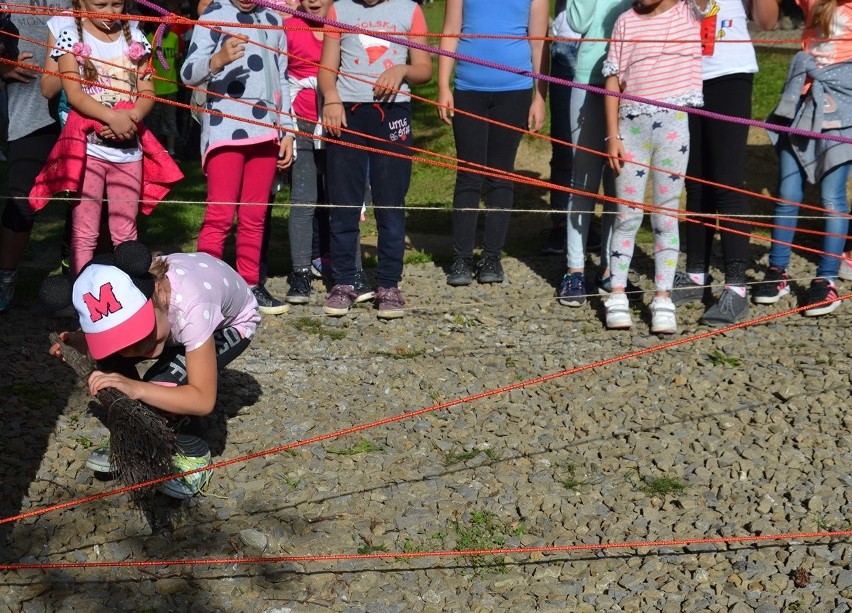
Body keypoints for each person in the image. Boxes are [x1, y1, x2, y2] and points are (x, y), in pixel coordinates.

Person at [49, 241, 260, 499]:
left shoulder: (192, 307)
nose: (138, 347)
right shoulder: (145, 302)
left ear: (157, 290)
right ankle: (132, 432)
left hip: (229, 324)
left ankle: (194, 453)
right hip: (180, 317)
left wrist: (139, 389)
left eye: (141, 331)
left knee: (161, 385)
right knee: (110, 363)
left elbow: (203, 399)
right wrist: (81, 343)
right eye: (124, 337)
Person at [318, 0, 432, 318]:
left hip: (393, 114)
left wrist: (404, 69)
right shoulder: (339, 10)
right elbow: (326, 70)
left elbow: (424, 70)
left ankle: (389, 284)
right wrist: (330, 98)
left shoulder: (409, 10)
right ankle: (343, 282)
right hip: (346, 114)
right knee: (343, 202)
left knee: (390, 201)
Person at [181, 0, 296, 316]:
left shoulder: (273, 19)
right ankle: (205, 289)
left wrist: (287, 129)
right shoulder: (213, 17)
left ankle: (250, 285)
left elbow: (281, 79)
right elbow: (188, 73)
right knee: (220, 214)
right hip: (225, 133)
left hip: (265, 133)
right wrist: (217, 59)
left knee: (254, 216)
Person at [603, 0, 709, 334]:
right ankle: (616, 293)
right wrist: (612, 135)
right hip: (630, 126)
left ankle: (663, 297)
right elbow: (613, 79)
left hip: (673, 126)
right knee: (627, 214)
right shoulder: (625, 21)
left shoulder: (689, 11)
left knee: (665, 215)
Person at [670, 0, 778, 326]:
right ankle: (696, 275)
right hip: (684, 73)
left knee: (726, 181)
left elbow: (768, 22)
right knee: (696, 182)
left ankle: (736, 287)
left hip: (729, 74)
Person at [37, 0, 160, 278]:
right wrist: (110, 117)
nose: (109, 12)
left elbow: (147, 88)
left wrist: (133, 117)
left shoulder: (137, 37)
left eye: (117, 4)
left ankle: (128, 296)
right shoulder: (70, 38)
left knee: (125, 231)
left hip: (128, 153)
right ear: (80, 3)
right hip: (89, 153)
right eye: (100, 4)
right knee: (84, 233)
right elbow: (75, 94)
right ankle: (83, 298)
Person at [753, 0, 852, 317]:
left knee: (832, 196)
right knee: (787, 193)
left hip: (843, 108)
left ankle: (826, 279)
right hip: (802, 101)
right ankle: (778, 271)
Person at [439, 0, 549, 286]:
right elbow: (450, 31)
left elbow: (538, 44)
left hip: (515, 92)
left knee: (501, 174)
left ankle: (491, 256)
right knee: (469, 175)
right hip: (468, 89)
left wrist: (540, 97)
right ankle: (461, 257)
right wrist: (442, 86)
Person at [557, 0, 633, 307]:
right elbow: (576, 20)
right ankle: (574, 268)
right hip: (590, 77)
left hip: (632, 80)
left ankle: (610, 266)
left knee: (619, 178)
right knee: (583, 179)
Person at [0, 0, 71, 312]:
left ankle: (80, 281)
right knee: (22, 199)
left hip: (83, 107)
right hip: (29, 110)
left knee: (84, 201)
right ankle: (5, 279)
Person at [540, 0, 579, 256]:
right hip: (566, 43)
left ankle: (587, 221)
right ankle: (560, 221)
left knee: (601, 145)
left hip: (606, 41)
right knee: (564, 143)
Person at [144, 15, 182, 159]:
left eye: (168, 25)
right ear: (155, 25)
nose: (167, 28)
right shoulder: (148, 39)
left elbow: (176, 60)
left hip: (171, 87)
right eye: (163, 25)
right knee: (154, 122)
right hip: (154, 88)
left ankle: (171, 151)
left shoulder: (173, 38)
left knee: (170, 120)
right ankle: (157, 152)